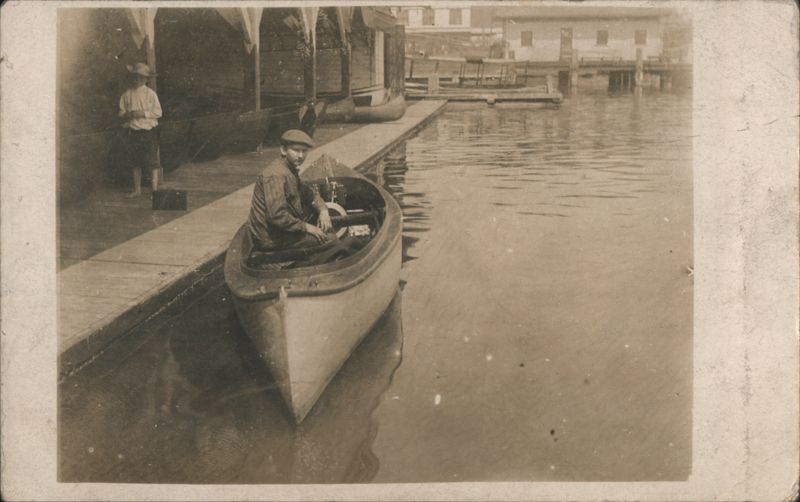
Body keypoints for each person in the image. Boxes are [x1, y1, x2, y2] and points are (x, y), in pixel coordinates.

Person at [247, 129, 333, 252]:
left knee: (326, 232)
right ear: (283, 150)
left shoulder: (289, 170)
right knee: (331, 239)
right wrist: (307, 227)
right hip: (271, 239)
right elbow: (277, 216)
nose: (301, 156)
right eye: (296, 150)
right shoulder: (275, 175)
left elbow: (310, 193)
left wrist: (323, 210)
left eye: (304, 151)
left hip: (281, 231)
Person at [118, 62, 162, 198]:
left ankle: (154, 190)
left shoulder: (150, 94)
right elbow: (121, 111)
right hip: (134, 131)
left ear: (146, 79)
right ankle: (137, 189)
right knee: (135, 161)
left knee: (152, 161)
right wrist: (127, 115)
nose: (137, 80)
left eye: (141, 78)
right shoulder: (127, 94)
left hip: (148, 131)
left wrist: (142, 113)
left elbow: (158, 112)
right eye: (135, 77)